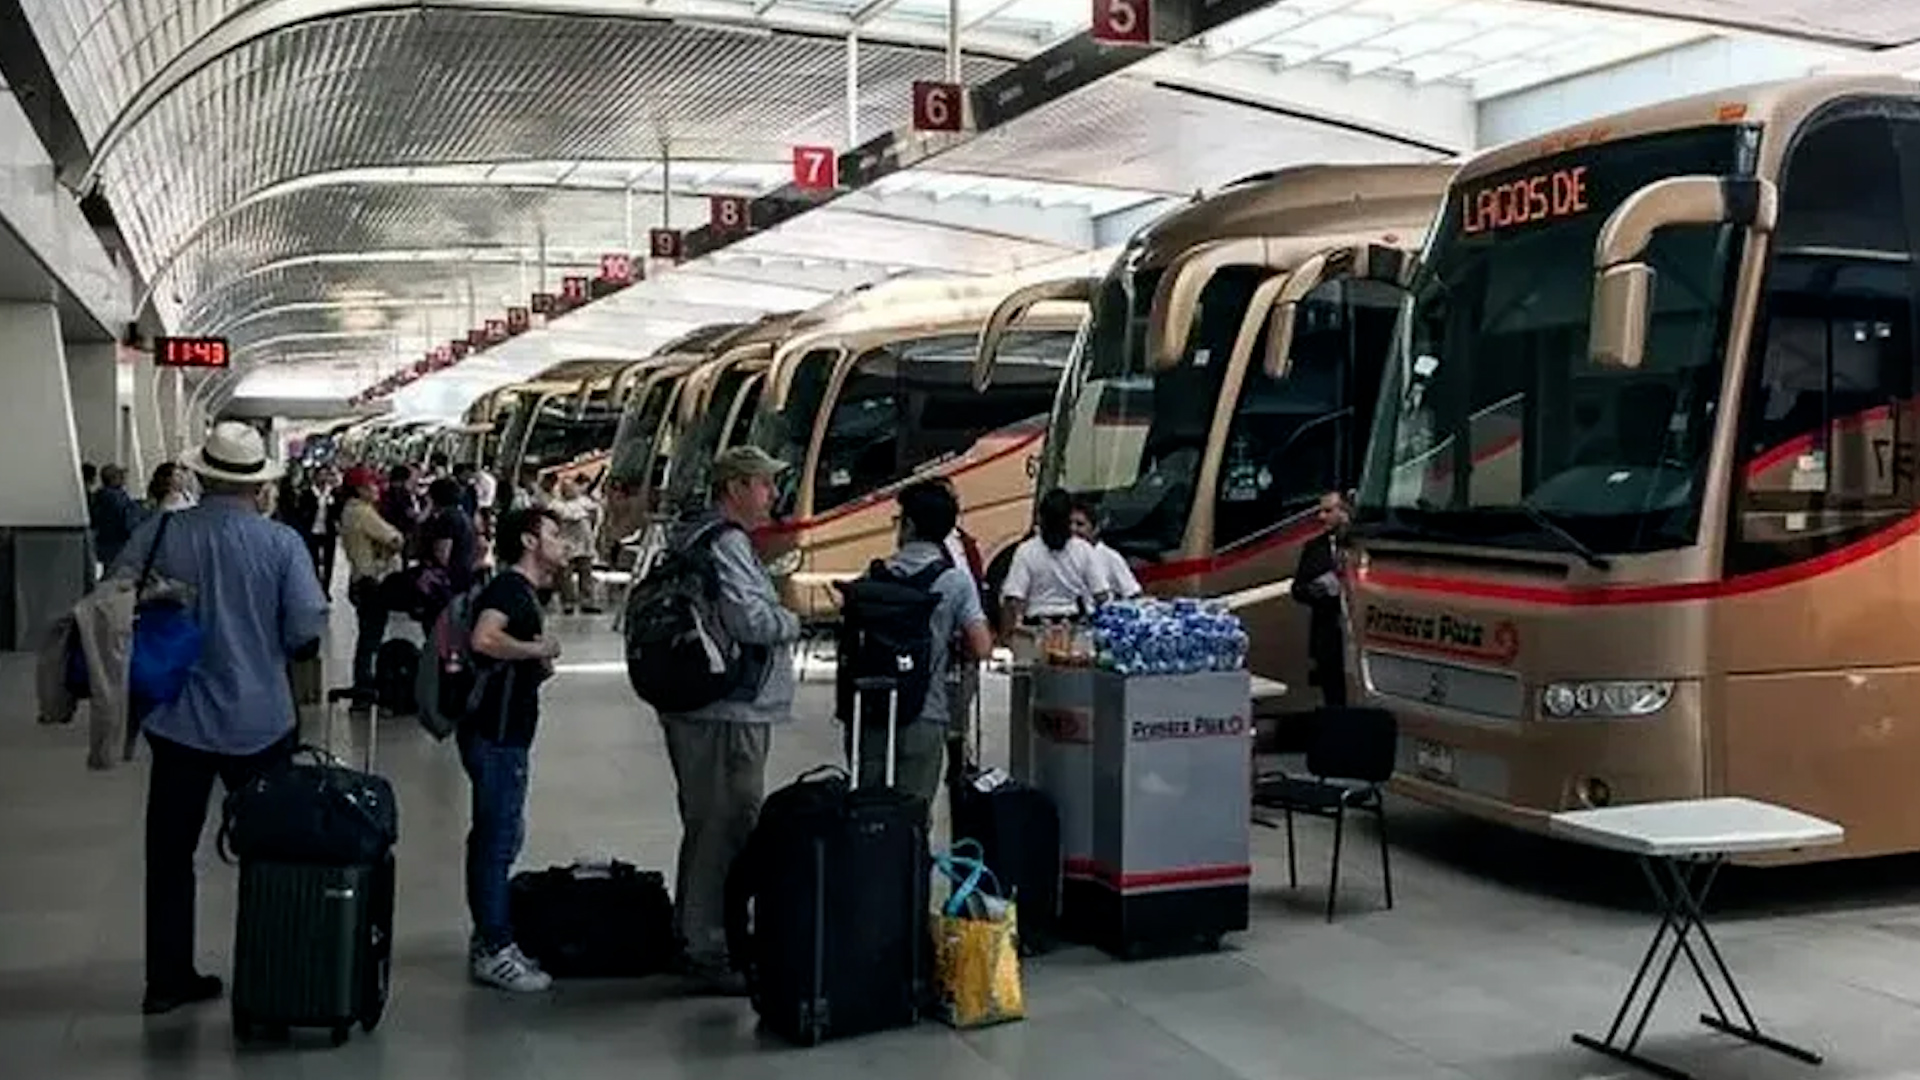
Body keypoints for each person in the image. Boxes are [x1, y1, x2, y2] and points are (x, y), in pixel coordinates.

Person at [111, 423, 329, 1015]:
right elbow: (306, 625)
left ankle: (167, 979)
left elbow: (115, 595)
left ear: (201, 475)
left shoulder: (159, 533)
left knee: (170, 854)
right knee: (274, 851)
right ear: (258, 485)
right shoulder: (281, 544)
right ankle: (274, 975)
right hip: (262, 721)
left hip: (178, 721)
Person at [656, 446, 801, 993]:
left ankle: (693, 930)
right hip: (727, 710)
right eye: (764, 484)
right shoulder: (728, 543)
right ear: (735, 487)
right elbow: (752, 621)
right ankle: (710, 945)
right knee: (725, 824)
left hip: (700, 703)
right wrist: (793, 619)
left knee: (706, 822)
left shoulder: (690, 535)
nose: (771, 495)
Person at [461, 506, 568, 992]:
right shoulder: (508, 588)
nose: (563, 542)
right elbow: (484, 639)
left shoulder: (523, 591)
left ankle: (490, 934)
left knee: (497, 833)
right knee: (497, 839)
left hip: (501, 730)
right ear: (529, 541)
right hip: (498, 735)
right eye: (553, 533)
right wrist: (537, 650)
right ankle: (495, 947)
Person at [850, 480, 993, 812]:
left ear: (909, 526)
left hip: (872, 710)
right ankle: (910, 864)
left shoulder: (873, 577)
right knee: (913, 816)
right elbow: (982, 646)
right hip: (926, 712)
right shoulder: (955, 581)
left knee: (866, 814)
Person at [1000, 487, 1111, 629]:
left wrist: (1007, 637)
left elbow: (1014, 599)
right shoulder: (1084, 550)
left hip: (1036, 628)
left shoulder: (1026, 551)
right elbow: (1102, 595)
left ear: (1040, 518)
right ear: (1069, 520)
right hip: (1072, 629)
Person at [340, 466, 404, 709]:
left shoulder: (349, 511)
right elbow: (395, 539)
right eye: (372, 485)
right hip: (371, 583)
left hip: (358, 580)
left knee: (366, 637)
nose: (377, 489)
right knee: (370, 640)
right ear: (359, 489)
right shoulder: (362, 512)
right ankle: (364, 691)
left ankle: (362, 689)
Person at [1290, 491, 1351, 709]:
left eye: (1328, 511)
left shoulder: (1358, 543)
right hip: (1327, 636)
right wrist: (1318, 589)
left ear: (1344, 511)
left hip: (1354, 633)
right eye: (1320, 511)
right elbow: (1297, 589)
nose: (1321, 517)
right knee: (1332, 697)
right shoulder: (1313, 548)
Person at [1070, 495, 1142, 601]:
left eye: (1080, 524)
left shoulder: (1110, 558)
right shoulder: (1065, 554)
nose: (1073, 529)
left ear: (1095, 529)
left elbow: (1133, 594)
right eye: (1069, 523)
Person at [547, 476, 601, 615]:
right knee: (565, 576)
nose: (570, 490)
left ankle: (587, 602)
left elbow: (595, 511)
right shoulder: (556, 504)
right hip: (567, 543)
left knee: (586, 573)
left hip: (585, 543)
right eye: (566, 487)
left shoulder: (584, 501)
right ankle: (568, 603)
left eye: (572, 487)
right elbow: (567, 516)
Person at [421, 477, 480, 604]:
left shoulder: (446, 518)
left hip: (448, 579)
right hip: (464, 575)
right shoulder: (463, 516)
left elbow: (442, 554)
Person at [88, 463, 143, 568]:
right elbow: (128, 521)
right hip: (118, 544)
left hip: (104, 543)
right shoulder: (117, 497)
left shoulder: (99, 496)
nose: (124, 479)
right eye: (121, 476)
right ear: (114, 479)